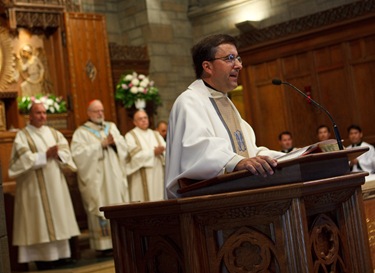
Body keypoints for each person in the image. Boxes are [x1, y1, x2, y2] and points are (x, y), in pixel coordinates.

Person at [165, 34, 283, 199]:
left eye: (238, 58)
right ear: (208, 67)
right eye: (230, 58)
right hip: (208, 204)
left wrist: (292, 156)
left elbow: (248, 152)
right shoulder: (189, 101)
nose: (239, 65)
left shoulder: (225, 101)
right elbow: (196, 152)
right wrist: (236, 162)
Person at [8, 103, 80, 270]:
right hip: (34, 188)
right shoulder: (22, 136)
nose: (42, 116)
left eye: (44, 113)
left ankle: (61, 256)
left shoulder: (54, 133)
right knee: (38, 222)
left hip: (55, 184)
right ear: (30, 116)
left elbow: (66, 153)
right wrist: (43, 156)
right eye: (38, 113)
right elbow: (20, 161)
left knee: (58, 217)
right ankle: (42, 259)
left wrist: (59, 155)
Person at [70, 100, 129, 252]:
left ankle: (122, 241)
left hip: (114, 176)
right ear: (89, 113)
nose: (100, 113)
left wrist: (115, 144)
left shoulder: (111, 127)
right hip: (98, 180)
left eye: (101, 110)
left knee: (118, 204)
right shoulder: (81, 133)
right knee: (101, 205)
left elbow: (124, 146)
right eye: (96, 111)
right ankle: (104, 246)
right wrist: (100, 145)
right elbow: (77, 155)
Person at [125, 110, 166, 201]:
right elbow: (134, 157)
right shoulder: (130, 136)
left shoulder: (155, 134)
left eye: (145, 118)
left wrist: (162, 152)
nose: (144, 120)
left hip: (158, 173)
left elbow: (165, 150)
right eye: (140, 119)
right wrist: (153, 153)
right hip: (141, 177)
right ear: (134, 122)